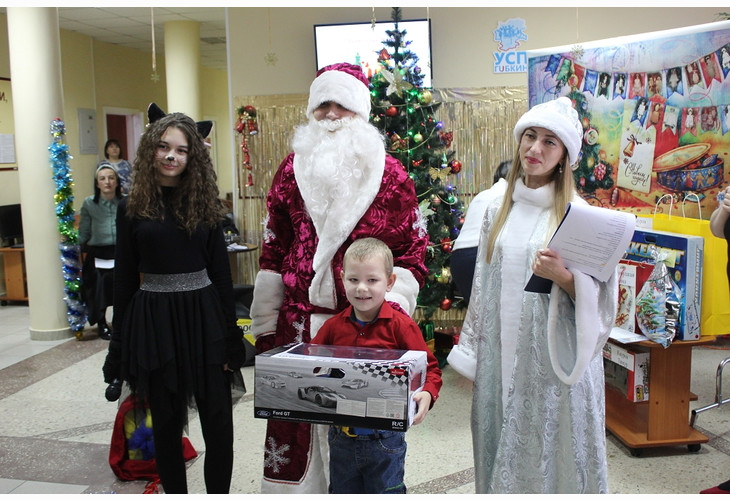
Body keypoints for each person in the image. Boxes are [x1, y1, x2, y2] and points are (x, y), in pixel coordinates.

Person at [249, 62, 428, 494]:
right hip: (297, 322)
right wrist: (265, 323)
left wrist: (387, 314)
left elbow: (411, 255)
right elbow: (274, 249)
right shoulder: (291, 170)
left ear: (360, 113)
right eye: (322, 105)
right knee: (296, 435)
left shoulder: (391, 176)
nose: (331, 115)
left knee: (360, 442)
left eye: (342, 106)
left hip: (361, 328)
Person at [447, 97, 618, 494]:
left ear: (564, 157)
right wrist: (477, 354)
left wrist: (565, 277)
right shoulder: (497, 210)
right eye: (529, 136)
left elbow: (606, 302)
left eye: (549, 142)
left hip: (552, 361)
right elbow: (482, 287)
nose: (535, 149)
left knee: (547, 447)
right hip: (502, 352)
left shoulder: (579, 215)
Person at [102, 104, 246, 494]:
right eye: (164, 147)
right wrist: (119, 344)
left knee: (219, 424)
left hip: (204, 319)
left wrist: (231, 336)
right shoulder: (131, 208)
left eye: (181, 150)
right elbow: (125, 278)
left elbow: (220, 274)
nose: (171, 155)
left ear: (193, 155)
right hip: (155, 322)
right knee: (165, 425)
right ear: (151, 149)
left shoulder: (207, 205)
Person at [310, 237, 442, 494]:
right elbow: (311, 364)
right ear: (342, 278)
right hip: (341, 438)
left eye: (372, 280)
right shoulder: (332, 328)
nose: (362, 289)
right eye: (353, 280)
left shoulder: (401, 326)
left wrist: (428, 392)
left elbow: (431, 369)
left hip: (385, 440)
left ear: (390, 282)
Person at [451, 160, 510, 305]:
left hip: (459, 258)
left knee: (477, 314)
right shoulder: (510, 195)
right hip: (484, 253)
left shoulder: (482, 195)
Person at [78, 161, 122, 340]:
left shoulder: (125, 201)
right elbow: (84, 233)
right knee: (100, 281)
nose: (107, 182)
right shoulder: (89, 204)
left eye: (111, 178)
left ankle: (121, 321)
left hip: (120, 252)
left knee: (124, 282)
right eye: (102, 179)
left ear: (117, 182)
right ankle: (102, 323)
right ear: (97, 183)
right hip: (99, 253)